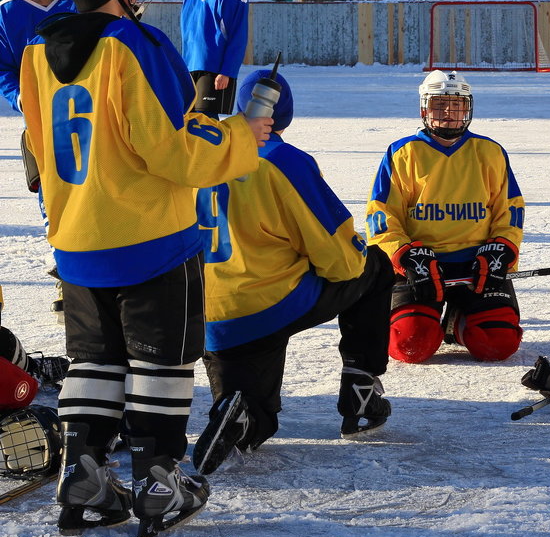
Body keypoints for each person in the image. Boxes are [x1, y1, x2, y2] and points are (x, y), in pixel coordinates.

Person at [20, 0, 271, 537]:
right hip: (150, 240)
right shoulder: (140, 45)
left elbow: (37, 151)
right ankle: (160, 480)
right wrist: (242, 135)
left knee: (93, 364)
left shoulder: (35, 51)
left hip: (77, 240)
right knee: (160, 365)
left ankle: (84, 477)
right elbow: (177, 151)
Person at [192, 70, 393, 474]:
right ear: (283, 115)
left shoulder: (199, 156)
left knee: (255, 420)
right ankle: (360, 385)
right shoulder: (285, 161)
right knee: (374, 267)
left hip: (204, 316)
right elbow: (341, 260)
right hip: (269, 304)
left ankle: (241, 416)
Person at [367, 70, 525, 364]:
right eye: (440, 105)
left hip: (477, 266)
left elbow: (510, 210)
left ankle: (457, 322)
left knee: (498, 343)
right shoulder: (402, 153)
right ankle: (418, 317)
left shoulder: (489, 152)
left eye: (458, 105)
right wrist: (405, 256)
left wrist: (502, 248)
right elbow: (380, 216)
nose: (450, 113)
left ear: (469, 108)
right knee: (410, 346)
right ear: (424, 109)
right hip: (423, 266)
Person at [0, 0, 78, 321]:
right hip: (40, 127)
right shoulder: (8, 12)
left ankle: (89, 271)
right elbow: (2, 70)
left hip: (85, 119)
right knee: (51, 197)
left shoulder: (80, 2)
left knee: (88, 193)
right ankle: (63, 268)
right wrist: (20, 99)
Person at [0, 0, 75, 114]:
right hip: (36, 107)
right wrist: (18, 96)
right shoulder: (7, 12)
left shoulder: (79, 4)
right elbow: (2, 66)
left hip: (79, 101)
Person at [180, 0, 249, 116]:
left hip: (214, 70)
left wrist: (227, 71)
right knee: (189, 119)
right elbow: (187, 37)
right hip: (190, 68)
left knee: (207, 120)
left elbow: (238, 39)